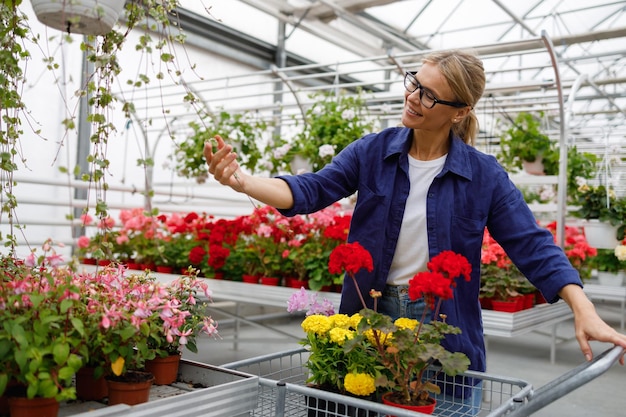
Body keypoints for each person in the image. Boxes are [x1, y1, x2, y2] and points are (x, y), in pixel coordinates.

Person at [205, 49, 626, 414]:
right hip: (370, 315)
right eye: (413, 83)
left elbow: (529, 242)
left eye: (428, 94)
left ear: (459, 111)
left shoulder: (483, 175)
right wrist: (242, 181)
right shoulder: (373, 152)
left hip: (443, 326)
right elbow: (310, 189)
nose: (412, 98)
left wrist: (581, 306)